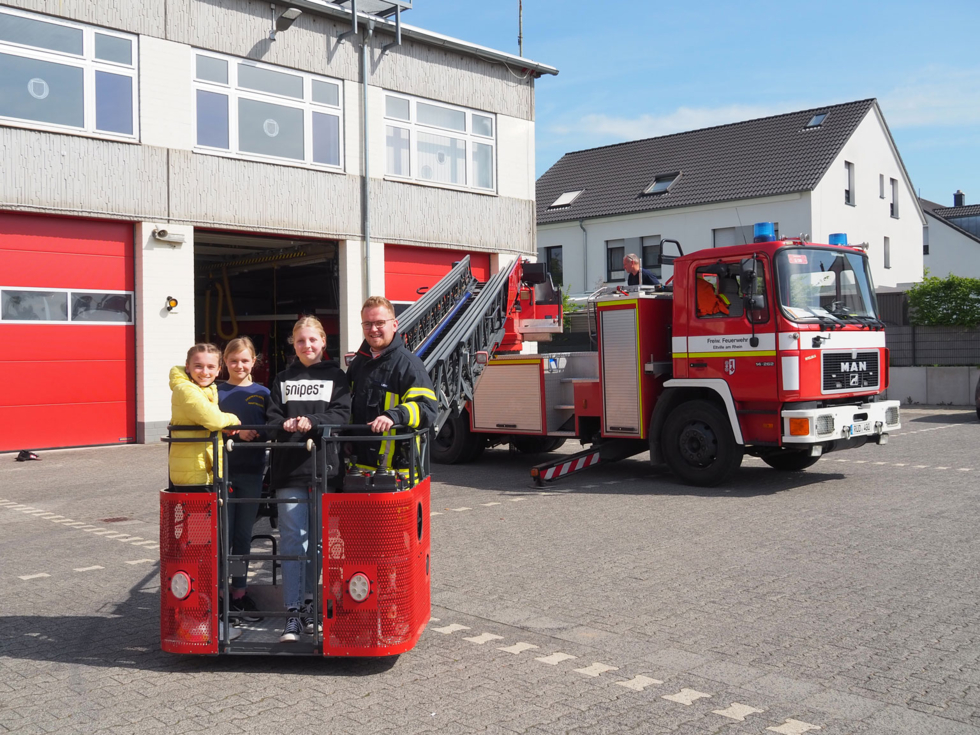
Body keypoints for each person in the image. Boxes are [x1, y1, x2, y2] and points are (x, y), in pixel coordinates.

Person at [266, 316, 351, 643]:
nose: (307, 346)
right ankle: (293, 613)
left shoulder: (337, 377)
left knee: (318, 542)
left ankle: (311, 604)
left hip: (324, 470)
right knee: (291, 541)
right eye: (301, 341)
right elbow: (272, 416)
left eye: (312, 340)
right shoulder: (283, 378)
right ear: (293, 343)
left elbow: (342, 415)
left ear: (323, 342)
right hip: (289, 469)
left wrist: (311, 421)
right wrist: (284, 424)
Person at [345, 296, 438, 478]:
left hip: (397, 474)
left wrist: (393, 415)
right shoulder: (357, 365)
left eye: (380, 323)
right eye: (367, 324)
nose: (373, 330)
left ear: (394, 325)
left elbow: (427, 408)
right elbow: (345, 406)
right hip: (358, 470)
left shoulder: (409, 365)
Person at [217, 337, 270, 624]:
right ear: (225, 362)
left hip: (251, 473)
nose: (239, 365)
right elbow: (207, 423)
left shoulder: (263, 392)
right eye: (234, 360)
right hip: (222, 474)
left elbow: (272, 425)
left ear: (254, 361)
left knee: (241, 537)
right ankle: (220, 594)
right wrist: (235, 433)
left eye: (245, 360)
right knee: (222, 535)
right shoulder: (215, 391)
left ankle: (239, 593)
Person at [168, 344, 240, 487]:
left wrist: (222, 427)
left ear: (219, 370)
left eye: (211, 367)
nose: (205, 372)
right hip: (191, 472)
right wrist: (233, 420)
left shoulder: (207, 389)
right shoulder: (185, 389)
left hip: (201, 469)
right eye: (198, 366)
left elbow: (205, 420)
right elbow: (213, 420)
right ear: (187, 367)